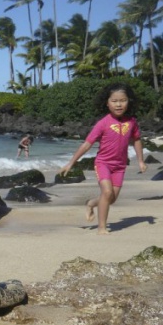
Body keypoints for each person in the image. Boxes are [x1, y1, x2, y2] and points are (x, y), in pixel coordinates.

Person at [59, 82, 147, 235]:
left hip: (120, 166)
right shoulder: (103, 123)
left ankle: (92, 203)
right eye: (114, 101)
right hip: (103, 163)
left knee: (111, 199)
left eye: (123, 100)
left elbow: (137, 140)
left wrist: (141, 160)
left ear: (128, 101)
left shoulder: (131, 122)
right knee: (107, 193)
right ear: (107, 103)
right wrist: (71, 163)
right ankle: (101, 227)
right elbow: (87, 144)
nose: (119, 104)